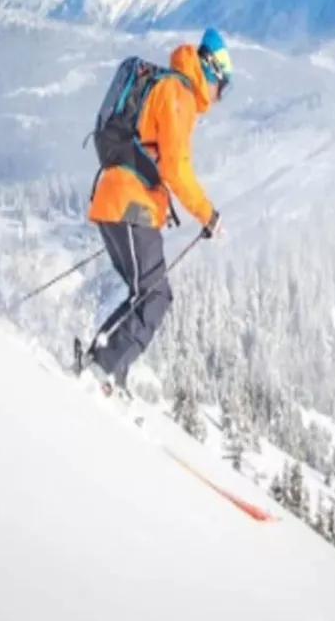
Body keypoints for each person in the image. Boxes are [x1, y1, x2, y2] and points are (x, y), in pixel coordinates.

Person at [81, 27, 233, 395]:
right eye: (222, 86)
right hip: (129, 205)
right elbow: (175, 169)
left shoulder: (171, 90)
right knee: (154, 296)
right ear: (210, 71)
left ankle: (101, 369)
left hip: (119, 203)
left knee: (146, 294)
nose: (219, 95)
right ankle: (98, 373)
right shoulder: (178, 94)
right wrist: (208, 214)